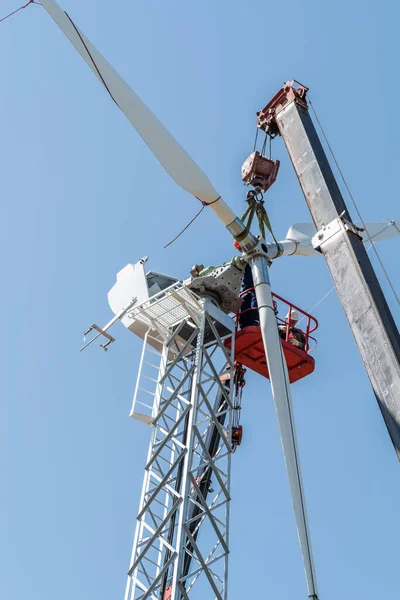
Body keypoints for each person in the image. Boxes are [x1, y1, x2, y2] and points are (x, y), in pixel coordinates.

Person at [234, 240, 259, 329]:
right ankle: (245, 323)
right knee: (245, 305)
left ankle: (253, 321)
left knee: (251, 302)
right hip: (246, 289)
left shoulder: (250, 259)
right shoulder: (245, 260)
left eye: (240, 248)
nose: (240, 250)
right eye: (239, 249)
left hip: (250, 287)